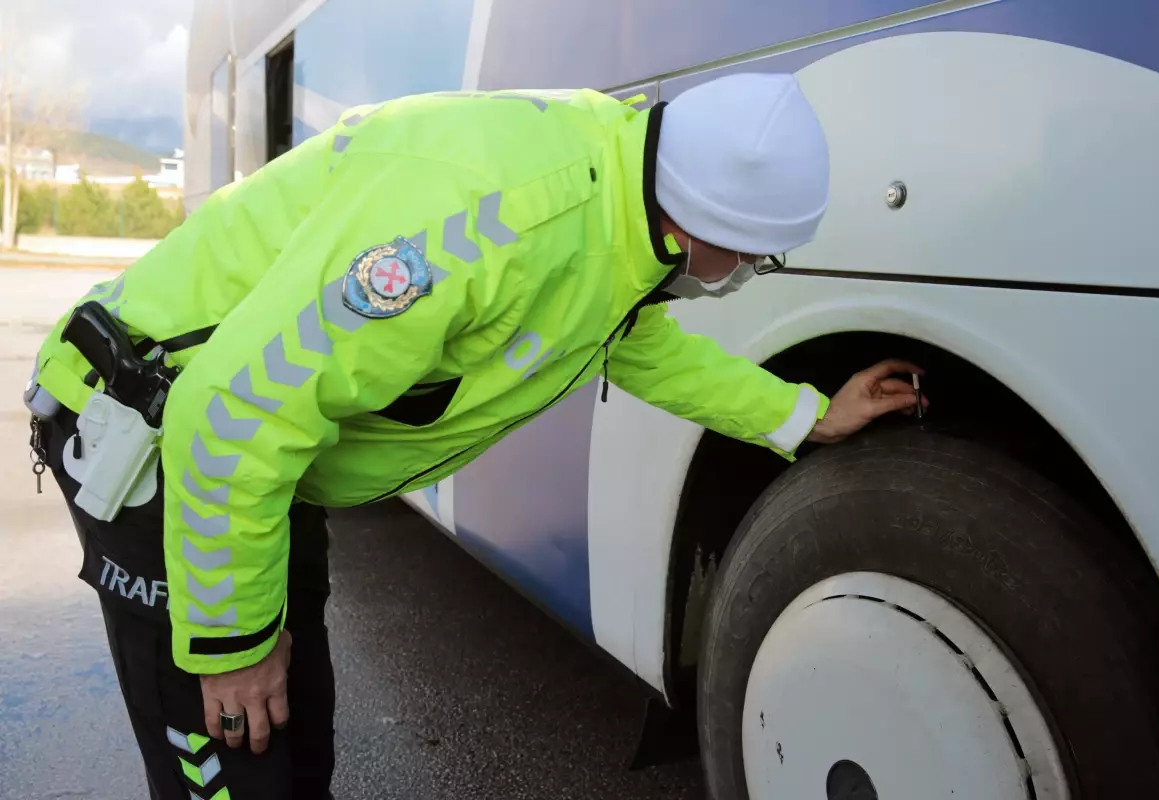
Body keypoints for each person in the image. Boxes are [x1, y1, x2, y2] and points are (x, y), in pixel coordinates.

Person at [24, 72, 926, 799]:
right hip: (151, 441)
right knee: (234, 745)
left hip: (263, 469)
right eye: (755, 259)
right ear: (700, 226)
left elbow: (640, 348)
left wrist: (807, 415)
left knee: (296, 743)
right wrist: (228, 646)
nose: (747, 278)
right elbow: (231, 416)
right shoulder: (479, 228)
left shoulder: (616, 196)